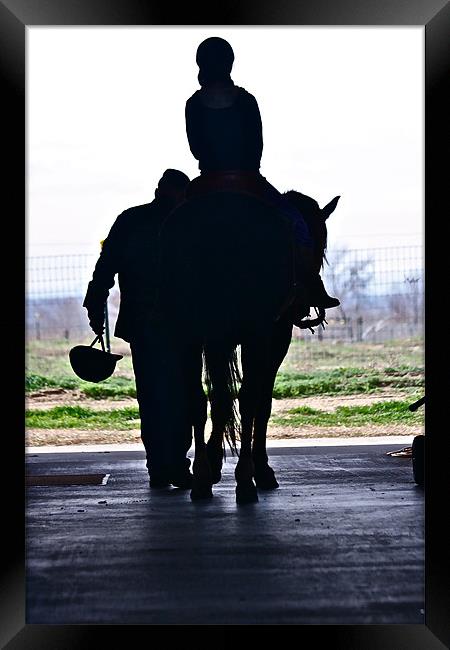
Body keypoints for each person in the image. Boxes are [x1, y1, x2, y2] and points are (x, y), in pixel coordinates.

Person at [184, 37, 339, 311]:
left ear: (201, 64)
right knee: (298, 225)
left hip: (206, 183)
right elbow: (256, 146)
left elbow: (196, 147)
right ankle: (310, 285)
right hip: (248, 181)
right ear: (229, 63)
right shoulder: (246, 100)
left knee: (169, 229)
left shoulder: (193, 104)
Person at [83, 169, 197, 488]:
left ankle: (160, 466)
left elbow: (106, 266)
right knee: (184, 395)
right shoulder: (188, 222)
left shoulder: (131, 220)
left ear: (159, 189)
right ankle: (175, 463)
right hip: (183, 325)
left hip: (145, 325)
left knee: (153, 396)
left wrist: (95, 302)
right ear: (181, 194)